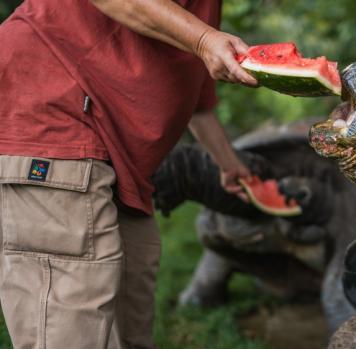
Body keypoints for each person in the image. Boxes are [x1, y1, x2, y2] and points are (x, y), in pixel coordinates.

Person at [0, 0, 257, 348]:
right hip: (51, 117)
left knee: (129, 328)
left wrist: (228, 164)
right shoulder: (203, 33)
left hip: (123, 163)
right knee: (71, 334)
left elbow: (198, 91)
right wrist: (203, 40)